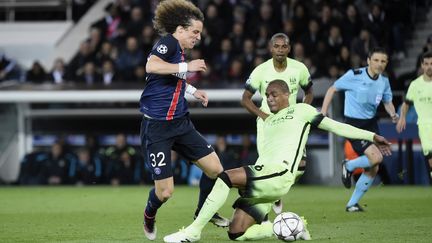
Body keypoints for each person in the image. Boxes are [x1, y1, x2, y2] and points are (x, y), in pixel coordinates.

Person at [163, 80, 392, 243]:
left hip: (278, 174)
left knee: (224, 177)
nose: (269, 98)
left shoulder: (301, 110)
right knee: (236, 233)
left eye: (274, 94)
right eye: (267, 95)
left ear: (286, 95)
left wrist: (371, 136)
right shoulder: (269, 122)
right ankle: (292, 227)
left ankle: (193, 232)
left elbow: (336, 126)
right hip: (267, 179)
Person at [139, 0, 228, 240]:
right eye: (194, 32)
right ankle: (149, 214)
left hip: (180, 123)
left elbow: (172, 79)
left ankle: (203, 212)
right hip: (157, 127)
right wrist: (187, 66)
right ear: (179, 30)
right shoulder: (168, 43)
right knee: (165, 192)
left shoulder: (178, 50)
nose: (198, 37)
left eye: (199, 32)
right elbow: (151, 66)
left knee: (215, 170)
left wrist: (192, 91)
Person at [241, 33, 313, 214]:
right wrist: (263, 115)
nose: (280, 50)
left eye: (284, 46)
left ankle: (276, 190)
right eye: (277, 46)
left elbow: (309, 91)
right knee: (266, 164)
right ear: (270, 48)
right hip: (269, 124)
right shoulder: (261, 70)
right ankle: (257, 207)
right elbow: (246, 99)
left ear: (289, 48)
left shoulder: (299, 69)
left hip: (291, 123)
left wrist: (301, 111)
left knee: (301, 165)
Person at [321, 47, 398, 212]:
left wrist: (392, 113)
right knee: (376, 158)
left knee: (374, 167)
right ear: (368, 61)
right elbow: (332, 89)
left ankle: (352, 204)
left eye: (383, 61)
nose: (379, 64)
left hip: (371, 124)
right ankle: (349, 166)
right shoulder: (354, 75)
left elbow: (387, 101)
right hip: (354, 125)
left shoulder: (384, 81)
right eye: (376, 60)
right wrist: (323, 111)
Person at [397, 51, 432, 181]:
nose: (429, 67)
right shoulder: (415, 85)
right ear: (422, 66)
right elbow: (406, 104)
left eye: (431, 64)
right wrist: (402, 118)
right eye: (426, 64)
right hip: (424, 126)